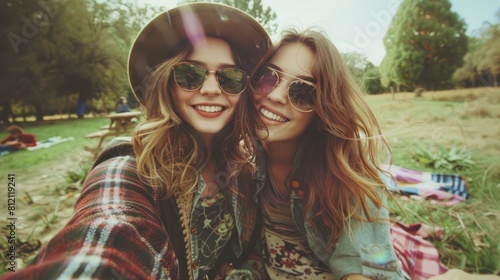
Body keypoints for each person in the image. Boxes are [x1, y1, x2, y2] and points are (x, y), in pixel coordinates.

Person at [0, 3, 270, 279]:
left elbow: (253, 252)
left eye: (231, 77)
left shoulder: (245, 168)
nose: (211, 89)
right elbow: (108, 238)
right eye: (190, 74)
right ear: (167, 84)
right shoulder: (131, 166)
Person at [225, 27, 406, 279]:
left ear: (323, 107)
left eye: (303, 93)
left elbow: (362, 270)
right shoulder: (245, 157)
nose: (275, 95)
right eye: (268, 77)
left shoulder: (347, 171)